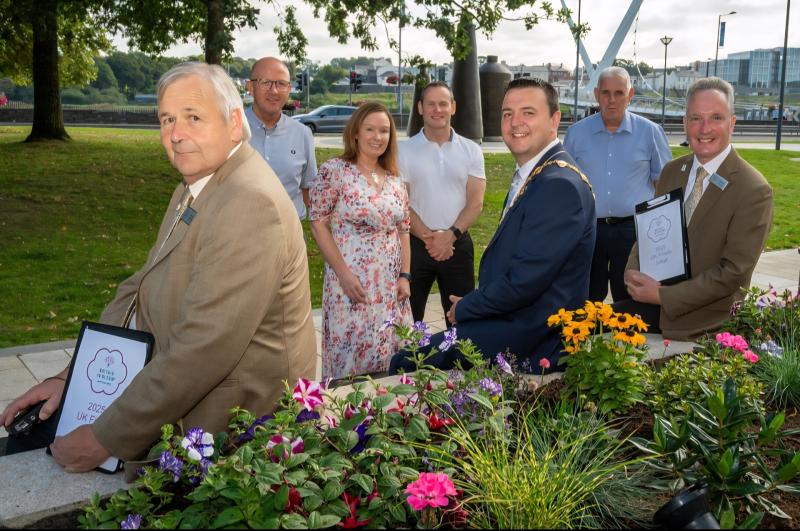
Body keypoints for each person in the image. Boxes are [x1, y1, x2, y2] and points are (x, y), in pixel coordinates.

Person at [0, 62, 317, 470]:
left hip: (233, 436)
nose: (176, 134)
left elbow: (201, 350)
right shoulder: (196, 183)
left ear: (234, 123)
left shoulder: (248, 202)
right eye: (167, 119)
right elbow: (139, 286)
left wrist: (105, 438)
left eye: (193, 117)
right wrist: (72, 377)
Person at [390, 78, 596, 374]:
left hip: (533, 335)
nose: (515, 123)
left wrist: (466, 308)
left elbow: (524, 282)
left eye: (528, 112)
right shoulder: (539, 174)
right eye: (507, 113)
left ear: (554, 120)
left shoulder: (558, 185)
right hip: (515, 316)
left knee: (408, 362)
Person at [620, 77, 773, 339]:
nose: (704, 128)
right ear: (684, 123)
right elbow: (649, 229)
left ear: (732, 123)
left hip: (705, 330)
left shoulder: (753, 189)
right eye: (695, 118)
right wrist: (632, 270)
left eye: (716, 117)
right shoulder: (671, 172)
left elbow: (733, 273)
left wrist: (663, 296)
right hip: (651, 312)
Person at [309, 102, 413, 380]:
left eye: (384, 131)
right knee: (349, 363)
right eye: (370, 129)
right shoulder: (335, 171)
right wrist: (343, 275)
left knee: (391, 360)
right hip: (350, 285)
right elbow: (318, 221)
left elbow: (404, 230)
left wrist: (405, 275)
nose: (377, 137)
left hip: (390, 288)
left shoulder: (395, 180)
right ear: (356, 132)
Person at [564, 66, 671, 303]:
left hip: (633, 231)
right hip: (589, 229)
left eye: (619, 93)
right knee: (586, 297)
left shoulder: (651, 132)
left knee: (631, 298)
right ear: (596, 94)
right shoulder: (575, 134)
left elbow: (663, 183)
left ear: (631, 94)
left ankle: (629, 341)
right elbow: (565, 185)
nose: (612, 100)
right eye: (606, 93)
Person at [398, 81, 486, 327]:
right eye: (431, 104)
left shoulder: (471, 150)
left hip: (457, 244)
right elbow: (401, 202)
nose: (437, 110)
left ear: (453, 107)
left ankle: (458, 366)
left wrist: (450, 236)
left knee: (461, 321)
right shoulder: (402, 150)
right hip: (415, 246)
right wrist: (430, 239)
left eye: (443, 104)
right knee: (407, 320)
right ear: (420, 107)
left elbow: (476, 202)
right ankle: (409, 365)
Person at [246, 57, 317, 218]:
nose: (274, 90)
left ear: (289, 88)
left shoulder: (303, 134)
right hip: (239, 236)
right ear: (250, 87)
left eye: (281, 84)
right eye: (265, 82)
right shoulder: (229, 131)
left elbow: (309, 189)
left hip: (289, 237)